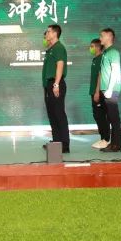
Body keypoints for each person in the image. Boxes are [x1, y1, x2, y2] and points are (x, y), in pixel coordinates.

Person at [42, 24, 70, 153]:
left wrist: (56, 84)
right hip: (49, 85)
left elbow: (60, 65)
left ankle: (64, 144)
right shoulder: (51, 49)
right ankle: (57, 142)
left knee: (59, 114)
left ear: (55, 33)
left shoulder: (59, 47)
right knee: (52, 114)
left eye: (48, 32)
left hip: (55, 84)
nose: (46, 34)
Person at [96, 28, 121, 152]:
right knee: (110, 118)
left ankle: (117, 145)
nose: (100, 38)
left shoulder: (113, 52)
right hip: (106, 90)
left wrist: (110, 89)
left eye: (102, 36)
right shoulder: (106, 52)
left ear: (109, 36)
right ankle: (113, 143)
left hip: (111, 90)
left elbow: (115, 71)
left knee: (114, 117)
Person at [88, 39, 110, 149]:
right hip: (94, 91)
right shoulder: (95, 59)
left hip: (100, 92)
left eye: (92, 46)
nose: (90, 48)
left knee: (101, 116)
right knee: (97, 116)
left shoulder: (102, 58)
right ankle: (103, 138)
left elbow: (100, 76)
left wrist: (97, 91)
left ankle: (106, 139)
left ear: (98, 47)